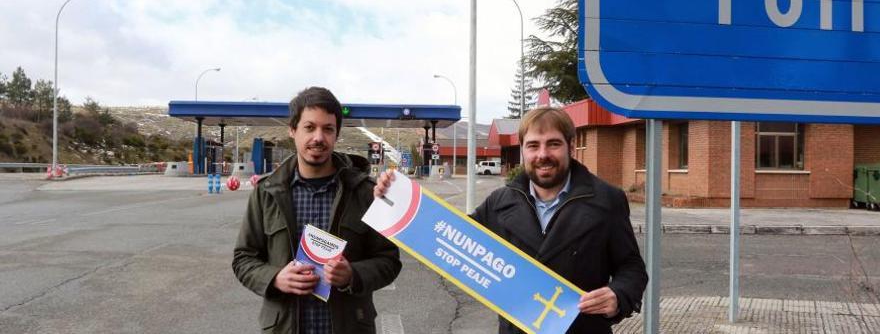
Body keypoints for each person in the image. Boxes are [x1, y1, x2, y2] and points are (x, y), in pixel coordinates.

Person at [374, 106, 648, 334]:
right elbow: (450, 238)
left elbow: (632, 267)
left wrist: (618, 295)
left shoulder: (606, 200)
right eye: (533, 145)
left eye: (553, 143)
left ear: (571, 147)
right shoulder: (500, 202)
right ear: (522, 151)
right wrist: (395, 198)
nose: (543, 155)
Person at [233, 87, 401, 334]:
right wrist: (275, 278)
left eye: (328, 129)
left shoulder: (365, 192)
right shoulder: (266, 192)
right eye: (309, 127)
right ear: (293, 130)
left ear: (336, 134)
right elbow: (243, 259)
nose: (318, 137)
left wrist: (352, 275)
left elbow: (388, 260)